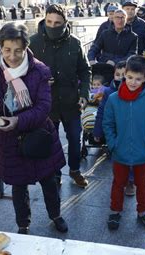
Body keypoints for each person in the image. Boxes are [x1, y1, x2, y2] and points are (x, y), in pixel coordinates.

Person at [0, 23, 68, 235]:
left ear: (26, 47)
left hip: (38, 135)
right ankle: (23, 224)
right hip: (10, 141)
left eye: (18, 50)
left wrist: (18, 121)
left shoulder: (39, 70)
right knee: (18, 186)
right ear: (0, 48)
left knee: (49, 182)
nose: (12, 56)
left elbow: (43, 107)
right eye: (7, 50)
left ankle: (56, 215)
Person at [29, 4, 91, 188]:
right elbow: (24, 73)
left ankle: (75, 170)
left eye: (57, 23)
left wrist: (84, 94)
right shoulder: (33, 43)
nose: (52, 25)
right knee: (51, 141)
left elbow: (85, 70)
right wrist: (39, 81)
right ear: (44, 19)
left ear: (65, 22)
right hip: (46, 105)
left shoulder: (75, 43)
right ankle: (54, 174)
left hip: (71, 103)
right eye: (49, 21)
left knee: (75, 139)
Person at [103, 55, 145, 231]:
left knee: (142, 183)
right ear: (125, 75)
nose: (133, 82)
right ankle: (115, 210)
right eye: (130, 77)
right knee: (118, 183)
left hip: (142, 153)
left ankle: (143, 211)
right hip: (120, 152)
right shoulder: (114, 99)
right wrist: (113, 144)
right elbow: (108, 123)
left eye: (138, 79)